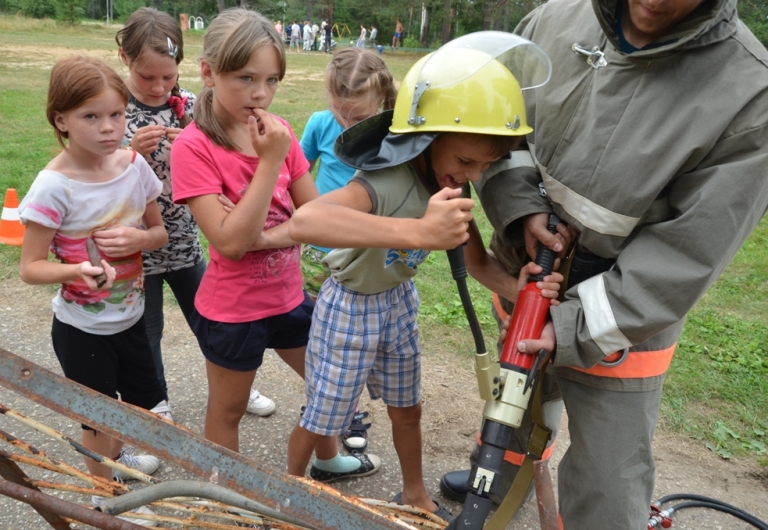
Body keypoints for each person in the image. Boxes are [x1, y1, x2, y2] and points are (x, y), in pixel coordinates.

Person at [440, 0, 768, 528]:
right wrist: (521, 209)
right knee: (511, 407)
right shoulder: (551, 22)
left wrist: (571, 326)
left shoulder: (750, 92)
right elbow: (502, 137)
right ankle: (492, 489)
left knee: (608, 476)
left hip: (622, 317)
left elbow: (687, 252)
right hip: (528, 275)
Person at [287, 39, 562, 522]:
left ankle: (414, 492)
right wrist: (418, 231)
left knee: (406, 406)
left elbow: (476, 264)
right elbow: (306, 221)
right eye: (464, 163)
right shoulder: (386, 180)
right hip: (349, 305)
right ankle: (285, 491)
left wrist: (521, 291)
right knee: (324, 415)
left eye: (484, 166)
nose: (472, 176)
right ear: (428, 139)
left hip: (398, 302)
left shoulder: (447, 185)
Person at [169, 9, 348, 474]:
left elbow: (314, 215)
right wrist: (270, 166)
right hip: (233, 311)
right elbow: (229, 245)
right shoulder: (193, 147)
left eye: (271, 80)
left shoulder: (279, 130)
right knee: (227, 411)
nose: (261, 94)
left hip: (289, 297)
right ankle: (229, 496)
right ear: (208, 72)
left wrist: (263, 234)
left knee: (327, 385)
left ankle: (327, 458)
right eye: (246, 78)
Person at [18, 55, 169, 527]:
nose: (109, 128)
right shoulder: (53, 187)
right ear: (60, 119)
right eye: (91, 117)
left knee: (144, 405)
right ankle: (105, 499)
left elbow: (159, 232)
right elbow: (30, 268)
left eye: (117, 114)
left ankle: (116, 467)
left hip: (133, 318)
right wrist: (75, 271)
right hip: (81, 328)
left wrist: (143, 239)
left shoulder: (134, 165)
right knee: (95, 418)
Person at [114, 8, 276, 420]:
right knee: (147, 331)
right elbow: (90, 167)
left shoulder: (190, 104)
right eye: (147, 77)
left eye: (168, 77)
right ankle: (156, 403)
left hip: (186, 241)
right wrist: (128, 152)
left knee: (215, 322)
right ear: (124, 58)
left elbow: (225, 147)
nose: (159, 86)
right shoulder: (112, 108)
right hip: (136, 249)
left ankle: (240, 386)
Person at [299, 47, 397, 452]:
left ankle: (349, 407)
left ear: (383, 102)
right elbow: (298, 171)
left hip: (366, 254)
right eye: (341, 114)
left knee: (357, 341)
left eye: (357, 118)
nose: (347, 124)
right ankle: (329, 408)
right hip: (318, 253)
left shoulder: (391, 135)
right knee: (322, 339)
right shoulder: (321, 125)